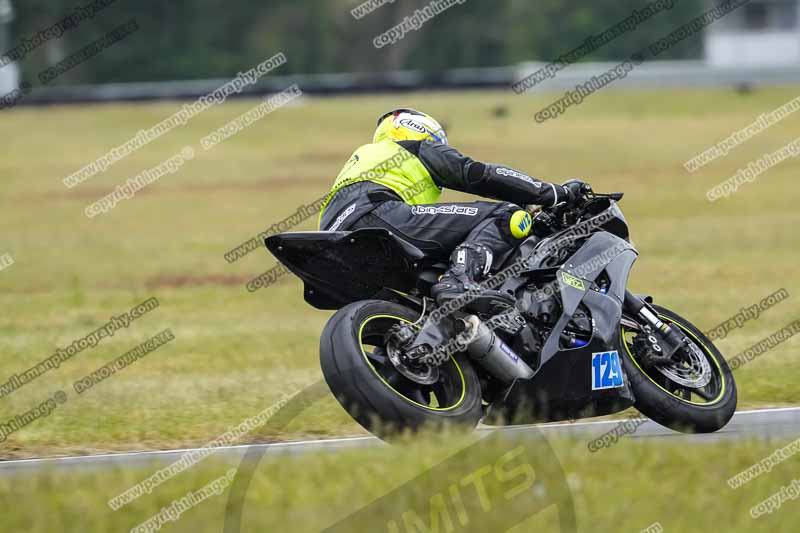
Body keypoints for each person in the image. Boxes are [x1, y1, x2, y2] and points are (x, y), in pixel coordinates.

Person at [318, 108, 588, 308]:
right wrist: (551, 192)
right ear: (421, 131)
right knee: (505, 215)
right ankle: (458, 280)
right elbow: (478, 174)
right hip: (377, 214)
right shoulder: (412, 147)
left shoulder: (365, 158)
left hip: (335, 237)